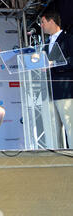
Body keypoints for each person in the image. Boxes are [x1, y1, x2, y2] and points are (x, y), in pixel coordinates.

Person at [40, 10, 73, 147]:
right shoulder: (46, 43)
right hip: (48, 93)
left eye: (42, 22)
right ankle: (55, 161)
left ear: (51, 21)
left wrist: (54, 64)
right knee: (52, 131)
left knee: (70, 128)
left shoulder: (68, 38)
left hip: (65, 91)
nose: (41, 25)